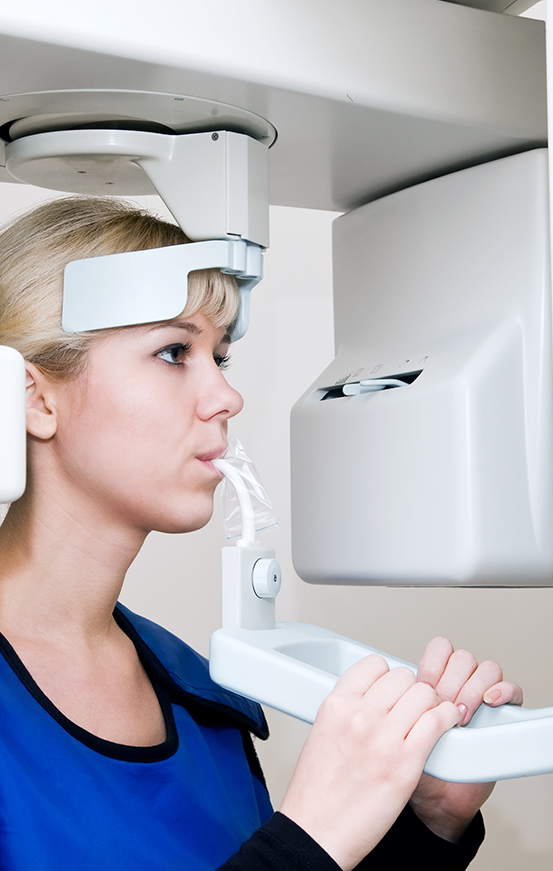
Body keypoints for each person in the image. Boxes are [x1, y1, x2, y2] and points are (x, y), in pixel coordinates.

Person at [0, 197, 523, 870]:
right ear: (34, 397)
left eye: (220, 356)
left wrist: (425, 822)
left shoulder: (202, 695)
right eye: (173, 351)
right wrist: (309, 835)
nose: (225, 396)